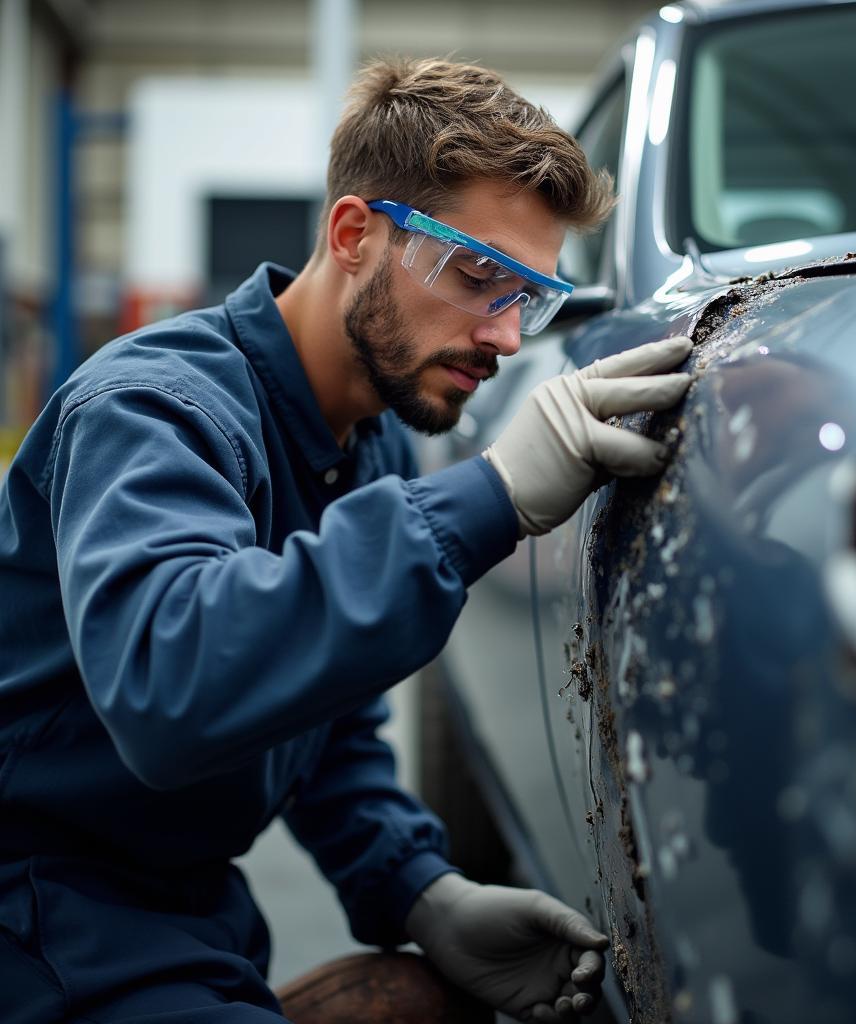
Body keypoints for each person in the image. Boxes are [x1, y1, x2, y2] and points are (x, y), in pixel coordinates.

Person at [0, 57, 693, 1024]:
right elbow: (170, 680)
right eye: (480, 274)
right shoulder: (155, 409)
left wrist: (421, 891)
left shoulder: (371, 445)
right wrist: (486, 498)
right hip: (37, 914)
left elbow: (323, 735)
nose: (504, 336)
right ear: (355, 233)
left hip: (186, 914)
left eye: (526, 297)